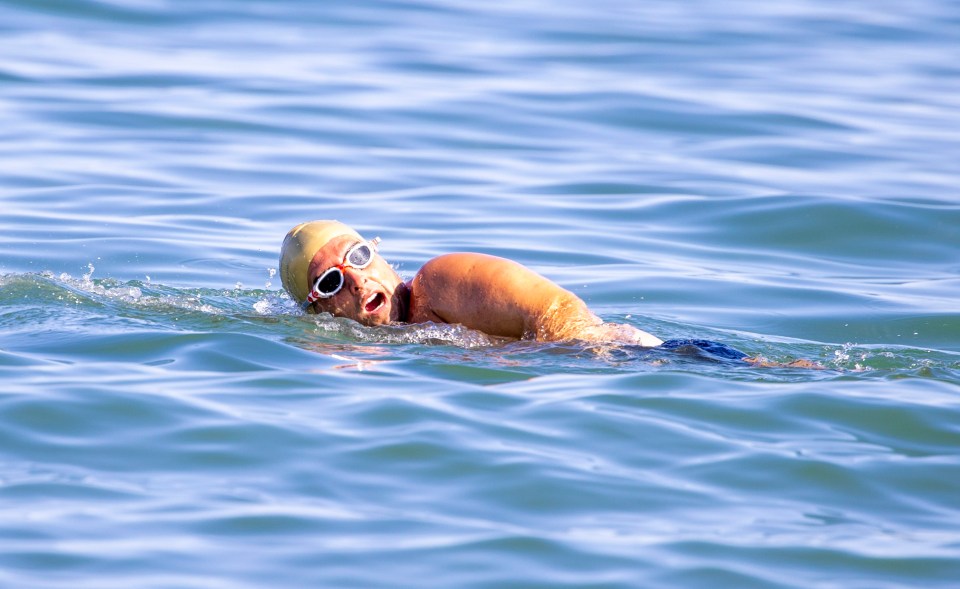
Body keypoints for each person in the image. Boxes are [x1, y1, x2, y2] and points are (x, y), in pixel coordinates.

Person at [279, 220, 814, 366]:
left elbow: (559, 311)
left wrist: (554, 358)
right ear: (317, 309)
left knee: (780, 376)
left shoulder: (440, 279)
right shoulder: (396, 338)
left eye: (358, 257)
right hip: (611, 373)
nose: (356, 280)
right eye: (331, 282)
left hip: (642, 358)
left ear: (379, 251)